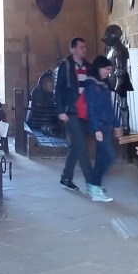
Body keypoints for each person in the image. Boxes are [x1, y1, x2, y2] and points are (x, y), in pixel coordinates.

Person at [55, 37, 93, 192]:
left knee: (76, 146)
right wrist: (60, 111)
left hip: (85, 112)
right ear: (73, 49)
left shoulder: (89, 67)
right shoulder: (65, 66)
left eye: (85, 47)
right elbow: (58, 90)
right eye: (81, 47)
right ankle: (92, 183)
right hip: (71, 112)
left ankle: (66, 178)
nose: (84, 50)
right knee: (82, 147)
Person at [84, 56, 123, 202]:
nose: (109, 72)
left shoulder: (104, 84)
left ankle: (94, 187)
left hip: (106, 126)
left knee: (101, 158)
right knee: (110, 156)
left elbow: (109, 108)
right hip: (99, 126)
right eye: (107, 69)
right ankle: (93, 185)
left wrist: (116, 124)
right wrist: (96, 129)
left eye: (110, 69)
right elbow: (91, 109)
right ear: (99, 68)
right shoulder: (91, 85)